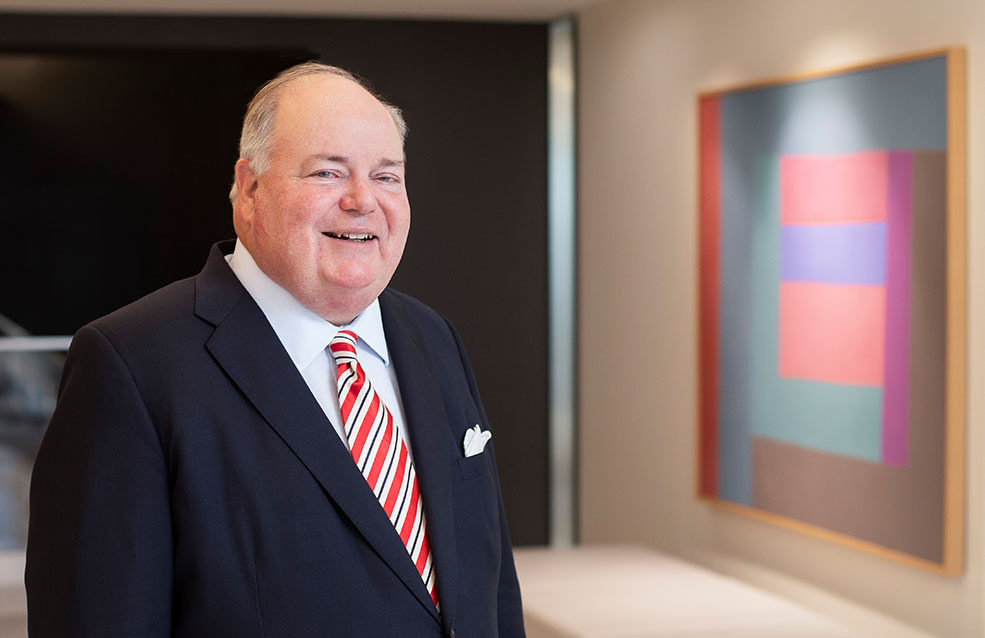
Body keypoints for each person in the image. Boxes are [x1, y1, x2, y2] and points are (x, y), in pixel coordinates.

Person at [26, 61, 524, 637]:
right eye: (327, 172)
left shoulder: (434, 339)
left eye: (387, 176)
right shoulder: (132, 364)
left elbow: (493, 591)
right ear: (249, 189)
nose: (363, 200)